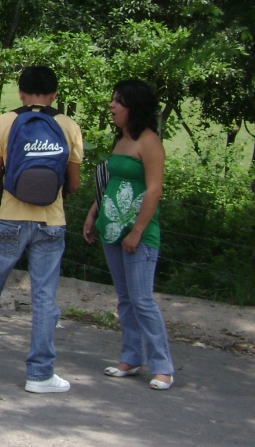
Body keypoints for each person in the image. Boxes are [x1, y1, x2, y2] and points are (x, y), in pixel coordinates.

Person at [0, 66, 83, 393]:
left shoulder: (6, 121)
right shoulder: (68, 126)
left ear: (21, 93)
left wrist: (4, 201)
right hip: (50, 222)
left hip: (8, 218)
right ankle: (40, 375)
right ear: (55, 94)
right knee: (44, 298)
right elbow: (75, 183)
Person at [83, 79, 174, 390]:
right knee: (124, 299)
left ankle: (162, 366)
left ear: (134, 107)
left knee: (142, 299)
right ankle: (131, 357)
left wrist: (137, 231)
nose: (112, 106)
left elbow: (154, 190)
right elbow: (112, 181)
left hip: (139, 235)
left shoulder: (149, 142)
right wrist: (94, 212)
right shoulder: (121, 141)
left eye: (118, 101)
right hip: (111, 230)